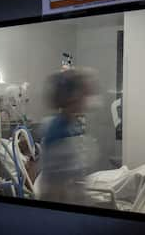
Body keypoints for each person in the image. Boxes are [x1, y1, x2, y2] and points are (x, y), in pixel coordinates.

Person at [37, 68, 98, 205]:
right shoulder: (56, 130)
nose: (88, 99)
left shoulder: (71, 125)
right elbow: (58, 184)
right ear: (73, 96)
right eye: (85, 94)